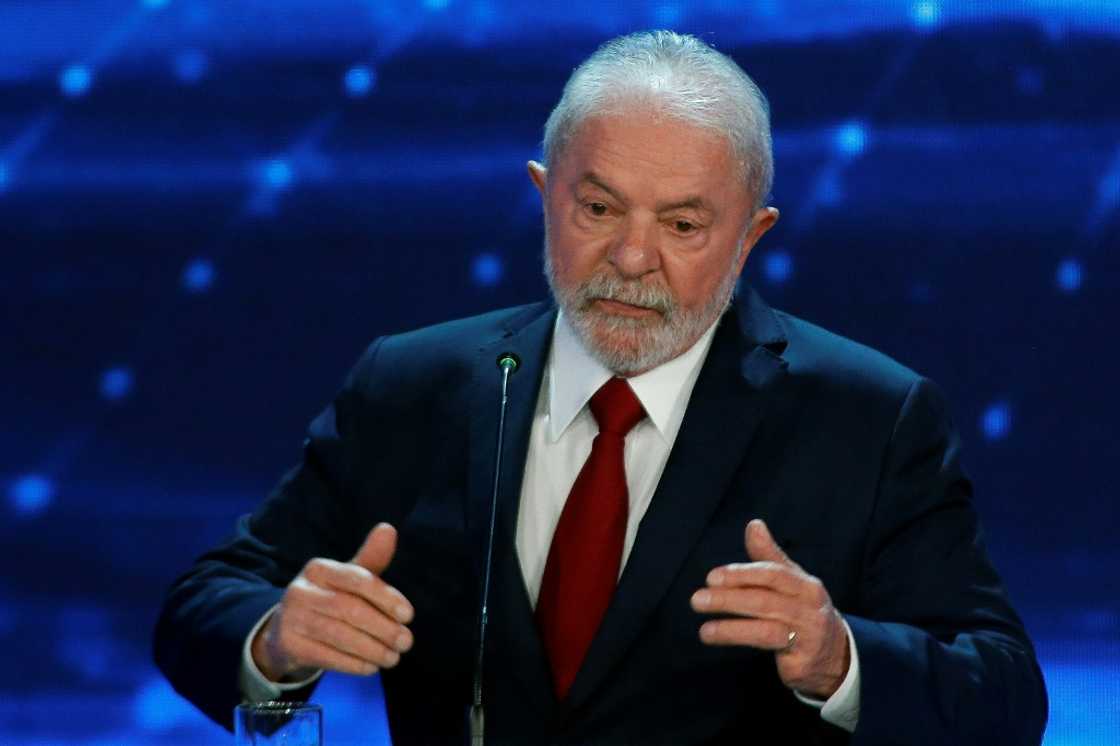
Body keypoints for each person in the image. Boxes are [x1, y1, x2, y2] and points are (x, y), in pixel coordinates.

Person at [153, 30, 1047, 745]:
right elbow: (205, 602)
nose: (629, 257)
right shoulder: (414, 384)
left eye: (685, 224)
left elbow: (1004, 695)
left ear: (751, 234)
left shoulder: (870, 419)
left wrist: (837, 657)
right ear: (546, 196)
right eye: (598, 208)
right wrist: (273, 638)